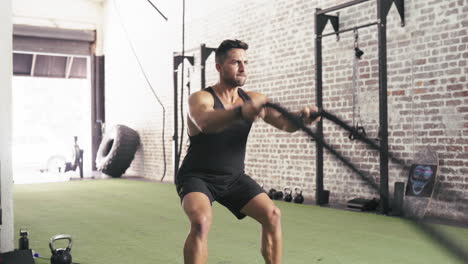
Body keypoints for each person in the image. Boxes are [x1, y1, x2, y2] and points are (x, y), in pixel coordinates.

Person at [176, 39, 320, 264]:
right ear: (219, 67)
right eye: (235, 62)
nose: (243, 68)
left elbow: (285, 124)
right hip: (197, 177)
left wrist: (303, 119)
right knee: (201, 221)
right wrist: (238, 113)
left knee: (272, 215)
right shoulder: (200, 98)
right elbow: (206, 121)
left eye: (245, 62)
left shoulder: (253, 99)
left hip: (233, 178)